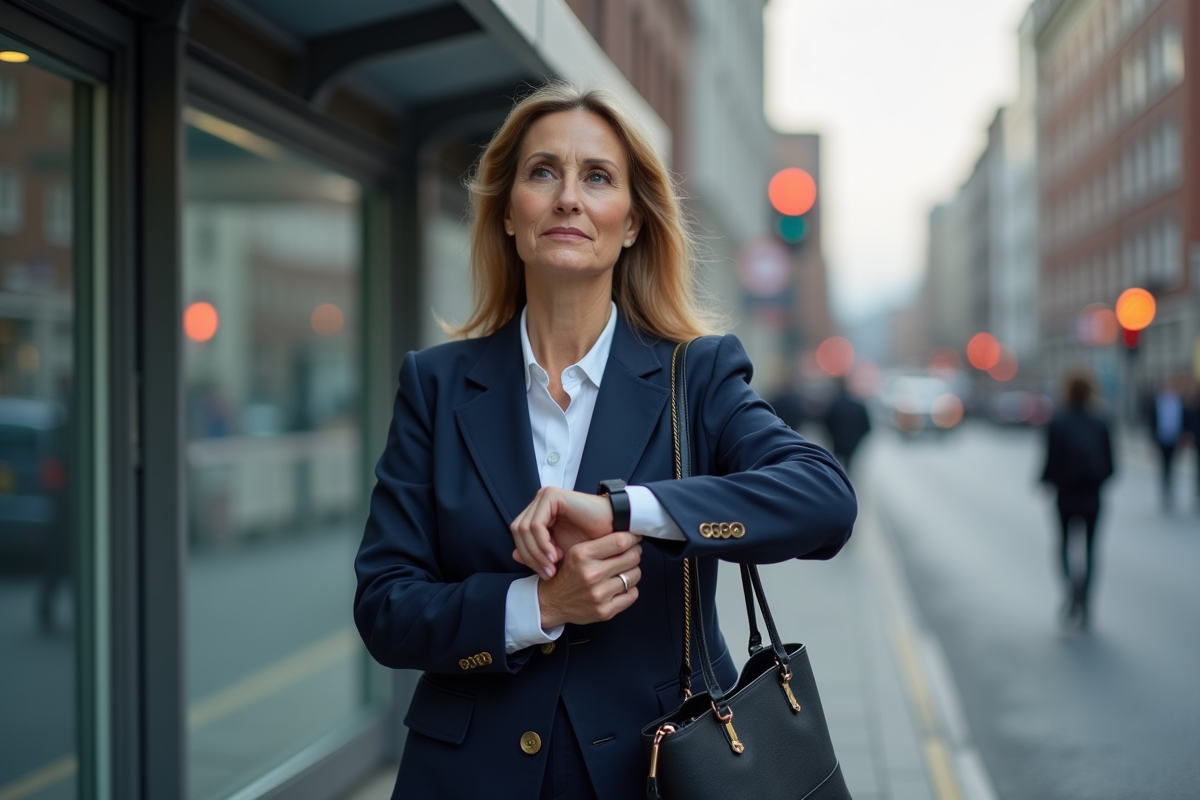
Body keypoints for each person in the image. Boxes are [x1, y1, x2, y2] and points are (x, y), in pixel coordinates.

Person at [353, 83, 857, 800]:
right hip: (468, 778)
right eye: (542, 172)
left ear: (630, 224)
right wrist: (540, 605)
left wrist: (630, 510)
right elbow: (385, 607)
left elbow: (826, 501)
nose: (568, 197)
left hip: (654, 775)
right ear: (507, 213)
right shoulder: (434, 385)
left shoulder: (698, 374)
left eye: (597, 176)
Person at [1040, 369, 1114, 629]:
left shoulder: (1058, 422)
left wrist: (1046, 482)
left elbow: (1048, 463)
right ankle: (1086, 600)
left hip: (1066, 496)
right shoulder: (1101, 421)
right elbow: (1111, 466)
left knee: (1063, 546)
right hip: (1092, 496)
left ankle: (1072, 591)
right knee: (1091, 549)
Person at [1145, 377, 1185, 512]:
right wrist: (1152, 441)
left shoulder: (1178, 401)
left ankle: (1171, 491)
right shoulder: (1156, 402)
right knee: (1163, 466)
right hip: (1161, 438)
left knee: (1172, 466)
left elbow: (1183, 420)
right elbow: (1151, 421)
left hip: (1174, 438)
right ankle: (1164, 492)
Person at [821, 377, 871, 473]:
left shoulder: (834, 405)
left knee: (838, 464)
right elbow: (867, 427)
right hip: (854, 444)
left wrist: (832, 435)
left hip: (838, 442)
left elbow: (826, 423)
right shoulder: (859, 406)